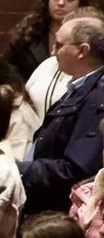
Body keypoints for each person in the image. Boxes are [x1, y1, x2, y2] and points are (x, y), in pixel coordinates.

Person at [24, 13, 104, 214]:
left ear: (82, 51)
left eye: (59, 45)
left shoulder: (98, 98)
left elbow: (75, 170)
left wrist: (20, 170)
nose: (53, 52)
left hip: (59, 212)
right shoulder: (81, 88)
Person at [4, 0, 88, 76]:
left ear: (81, 3)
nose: (61, 3)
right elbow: (7, 73)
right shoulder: (26, 35)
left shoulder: (90, 37)